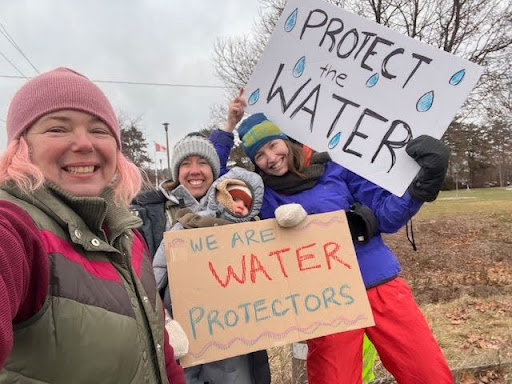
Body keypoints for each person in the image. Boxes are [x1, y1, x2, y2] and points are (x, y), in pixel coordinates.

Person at [213, 97, 453, 383]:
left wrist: (425, 182)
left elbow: (387, 216)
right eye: (259, 155)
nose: (270, 158)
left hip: (378, 285)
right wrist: (228, 126)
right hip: (326, 302)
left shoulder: (337, 167)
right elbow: (209, 175)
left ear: (286, 141)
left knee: (428, 373)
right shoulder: (260, 192)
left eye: (273, 145)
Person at [0, 67, 185, 383]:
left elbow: (160, 353)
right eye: (58, 129)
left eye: (99, 130)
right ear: (21, 147)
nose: (84, 143)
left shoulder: (127, 234)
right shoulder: (17, 227)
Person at [145, 135, 271, 384]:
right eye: (185, 164)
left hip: (233, 341)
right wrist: (164, 322)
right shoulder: (152, 212)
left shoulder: (242, 215)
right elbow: (148, 280)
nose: (194, 171)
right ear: (176, 171)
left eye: (202, 163)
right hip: (177, 342)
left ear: (215, 171)